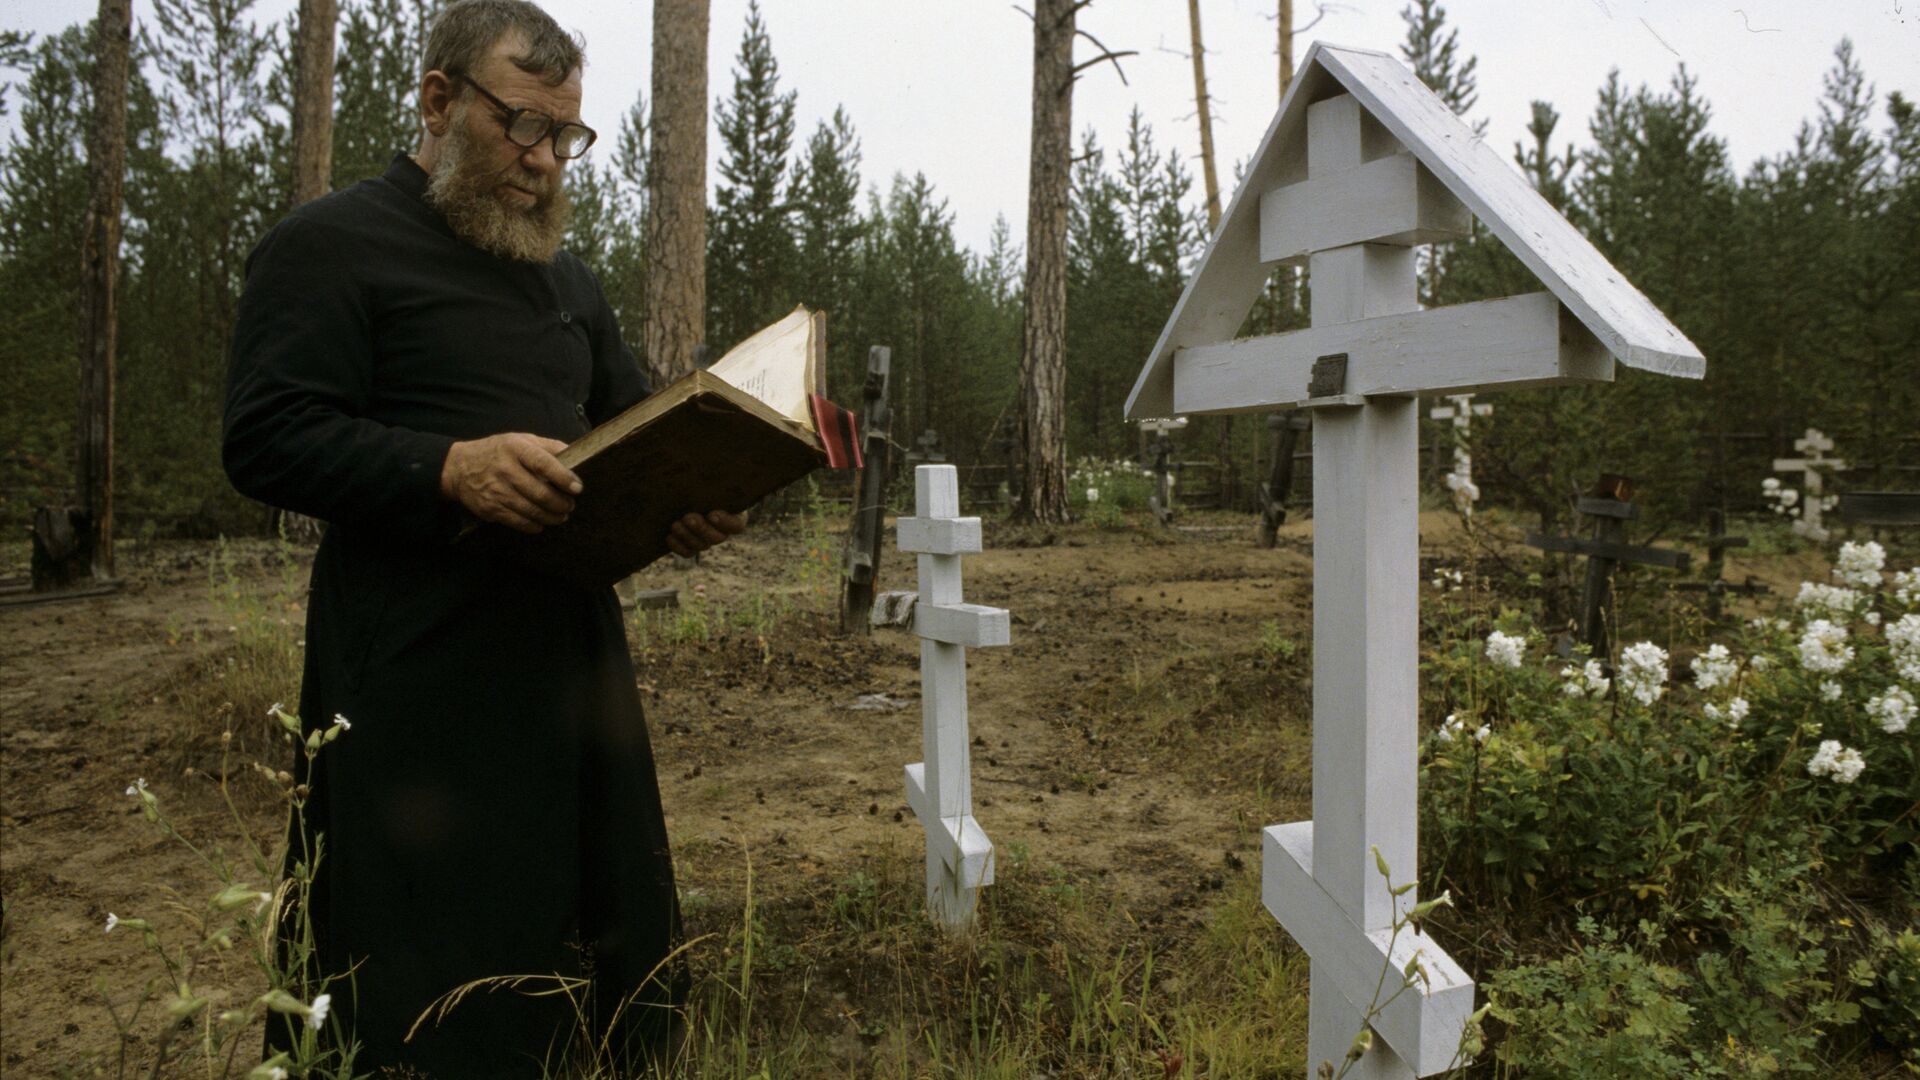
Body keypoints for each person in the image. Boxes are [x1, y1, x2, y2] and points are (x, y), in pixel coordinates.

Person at [222, 1, 741, 1072]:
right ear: (438, 100)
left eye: (567, 137)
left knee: (586, 931)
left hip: (569, 668)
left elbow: (628, 429)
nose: (547, 162)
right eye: (523, 127)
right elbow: (265, 438)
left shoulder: (568, 284)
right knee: (414, 964)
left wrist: (687, 499)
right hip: (411, 672)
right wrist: (447, 469)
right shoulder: (328, 247)